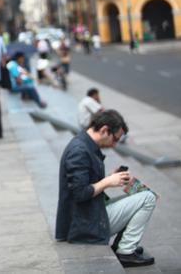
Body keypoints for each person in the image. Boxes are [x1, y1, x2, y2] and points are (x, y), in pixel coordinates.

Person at [55, 110, 157, 267]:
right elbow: (79, 193)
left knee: (141, 194)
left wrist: (110, 177)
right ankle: (126, 252)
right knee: (148, 198)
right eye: (115, 139)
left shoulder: (85, 143)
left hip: (86, 214)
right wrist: (108, 181)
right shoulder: (79, 151)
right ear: (104, 130)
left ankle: (122, 245)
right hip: (83, 223)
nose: (114, 144)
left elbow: (83, 183)